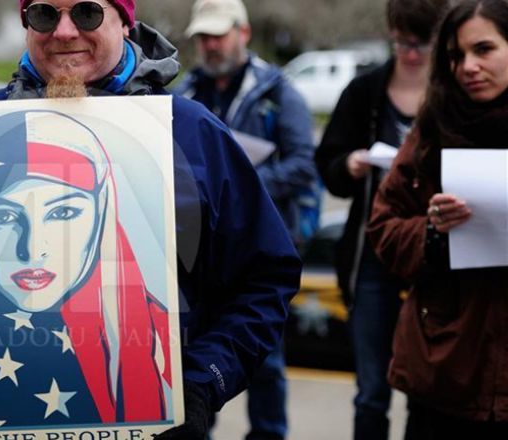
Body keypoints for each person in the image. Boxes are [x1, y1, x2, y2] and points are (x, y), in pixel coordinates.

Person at [0, 0, 301, 438]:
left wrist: (205, 382)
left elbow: (265, 277)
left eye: (87, 13)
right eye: (44, 15)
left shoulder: (190, 133)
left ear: (125, 21)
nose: (65, 31)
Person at [0, 110, 172, 428]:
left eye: (63, 212)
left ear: (103, 212)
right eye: (2, 217)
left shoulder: (159, 338)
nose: (33, 250)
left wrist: (204, 384)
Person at [174, 0, 317, 438]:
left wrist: (235, 184)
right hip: (195, 258)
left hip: (258, 245)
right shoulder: (184, 94)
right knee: (195, 365)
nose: (210, 45)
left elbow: (301, 164)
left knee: (264, 363)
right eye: (203, 36)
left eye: (219, 34)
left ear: (245, 33)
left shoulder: (280, 94)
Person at [366, 0, 508, 438]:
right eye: (455, 54)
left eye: (483, 49)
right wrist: (431, 231)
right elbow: (383, 229)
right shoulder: (430, 131)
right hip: (445, 369)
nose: (468, 66)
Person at [315, 0, 448, 438]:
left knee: (427, 389)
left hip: (435, 256)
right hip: (373, 256)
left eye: (421, 44)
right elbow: (327, 163)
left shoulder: (452, 92)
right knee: (371, 390)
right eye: (401, 42)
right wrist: (349, 165)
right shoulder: (366, 91)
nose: (410, 53)